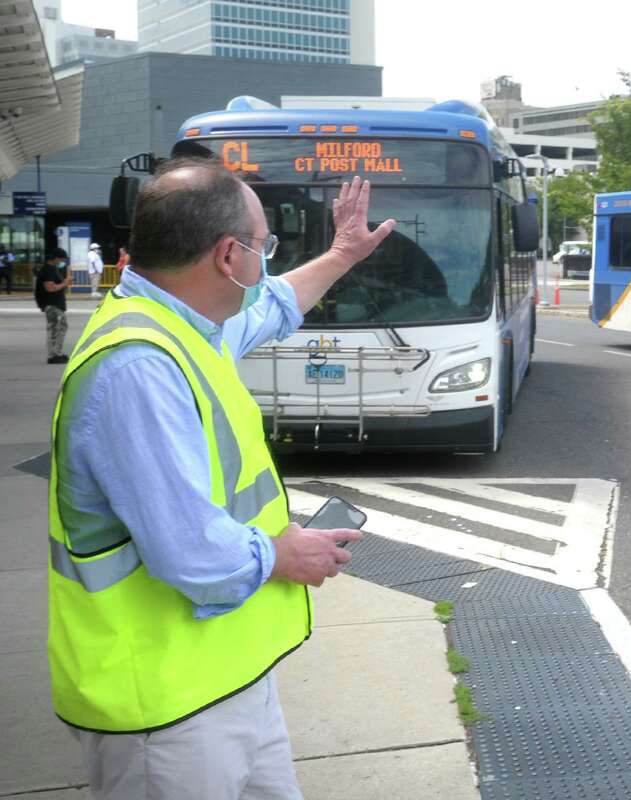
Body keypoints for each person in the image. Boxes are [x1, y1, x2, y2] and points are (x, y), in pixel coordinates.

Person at [47, 159, 396, 799]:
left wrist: (344, 253)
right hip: (164, 706)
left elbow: (277, 306)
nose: (267, 262)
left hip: (221, 678)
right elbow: (190, 550)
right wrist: (285, 554)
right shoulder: (139, 367)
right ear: (229, 256)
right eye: (265, 247)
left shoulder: (187, 325)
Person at [35, 247, 71, 363]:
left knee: (57, 327)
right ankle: (54, 354)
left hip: (54, 304)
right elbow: (50, 288)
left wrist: (64, 284)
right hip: (52, 304)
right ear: (55, 259)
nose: (62, 262)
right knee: (58, 327)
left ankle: (55, 353)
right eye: (61, 260)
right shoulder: (48, 270)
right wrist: (64, 283)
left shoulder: (51, 269)